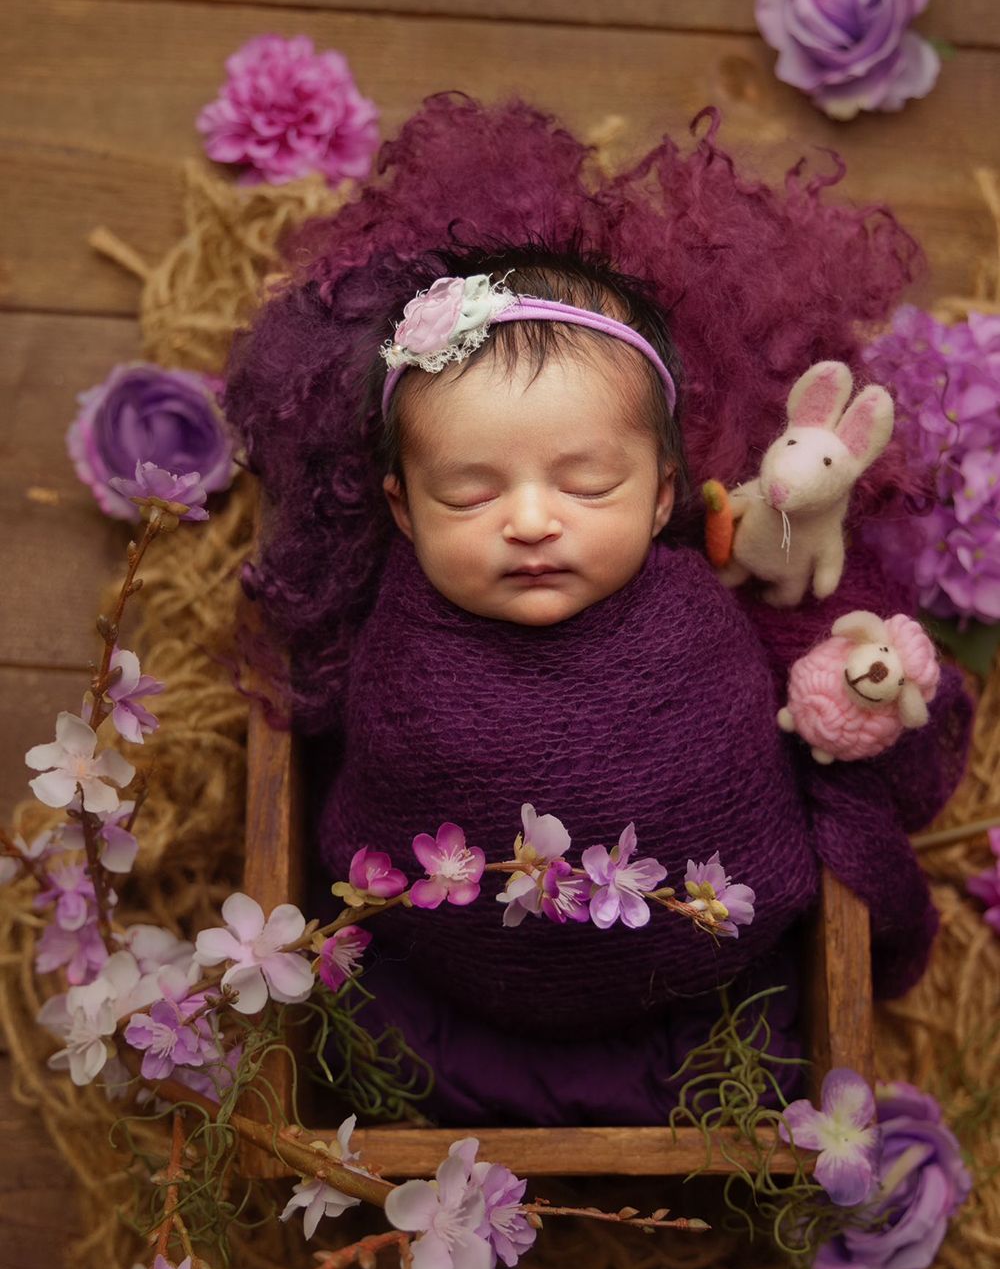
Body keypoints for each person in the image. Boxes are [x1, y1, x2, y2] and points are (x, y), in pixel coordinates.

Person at [226, 95, 971, 1125]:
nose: (530, 522)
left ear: (664, 495)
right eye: (469, 493)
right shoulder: (389, 628)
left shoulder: (700, 600)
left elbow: (809, 687)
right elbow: (359, 798)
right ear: (400, 509)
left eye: (585, 485)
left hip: (706, 990)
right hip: (443, 991)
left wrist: (847, 689)